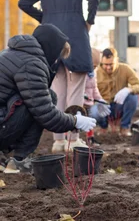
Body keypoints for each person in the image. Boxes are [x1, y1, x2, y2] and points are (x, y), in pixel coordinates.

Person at [18, 0, 99, 151]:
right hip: (76, 37)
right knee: (76, 90)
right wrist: (89, 21)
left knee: (58, 92)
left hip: (51, 40)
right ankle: (73, 139)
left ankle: (59, 141)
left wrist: (45, 19)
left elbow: (23, 2)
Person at [0, 24, 96, 173]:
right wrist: (75, 121)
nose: (56, 60)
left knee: (36, 101)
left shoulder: (13, 54)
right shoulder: (31, 64)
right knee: (43, 103)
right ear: (51, 48)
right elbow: (46, 114)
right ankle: (20, 160)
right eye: (58, 55)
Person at [95, 48, 139, 136]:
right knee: (94, 110)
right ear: (101, 62)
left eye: (111, 64)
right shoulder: (95, 72)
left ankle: (124, 127)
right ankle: (103, 127)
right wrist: (97, 101)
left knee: (132, 97)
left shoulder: (125, 69)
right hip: (103, 106)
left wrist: (128, 90)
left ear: (116, 61)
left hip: (119, 105)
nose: (108, 67)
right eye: (105, 64)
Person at [84, 48, 111, 145]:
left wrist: (100, 99)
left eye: (96, 66)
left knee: (90, 120)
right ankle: (70, 138)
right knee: (76, 119)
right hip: (80, 102)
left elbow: (94, 88)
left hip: (89, 102)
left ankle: (90, 138)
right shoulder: (80, 73)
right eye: (93, 66)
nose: (94, 68)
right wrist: (83, 96)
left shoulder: (93, 73)